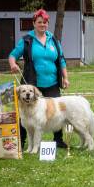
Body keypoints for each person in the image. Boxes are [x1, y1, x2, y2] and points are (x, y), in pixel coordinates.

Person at [9, 9, 69, 149]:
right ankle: (22, 141)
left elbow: (61, 60)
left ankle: (58, 140)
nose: (43, 25)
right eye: (39, 22)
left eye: (45, 22)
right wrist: (13, 64)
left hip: (52, 83)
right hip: (32, 84)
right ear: (34, 23)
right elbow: (13, 55)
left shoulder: (53, 39)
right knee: (26, 114)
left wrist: (65, 77)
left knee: (56, 113)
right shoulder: (27, 40)